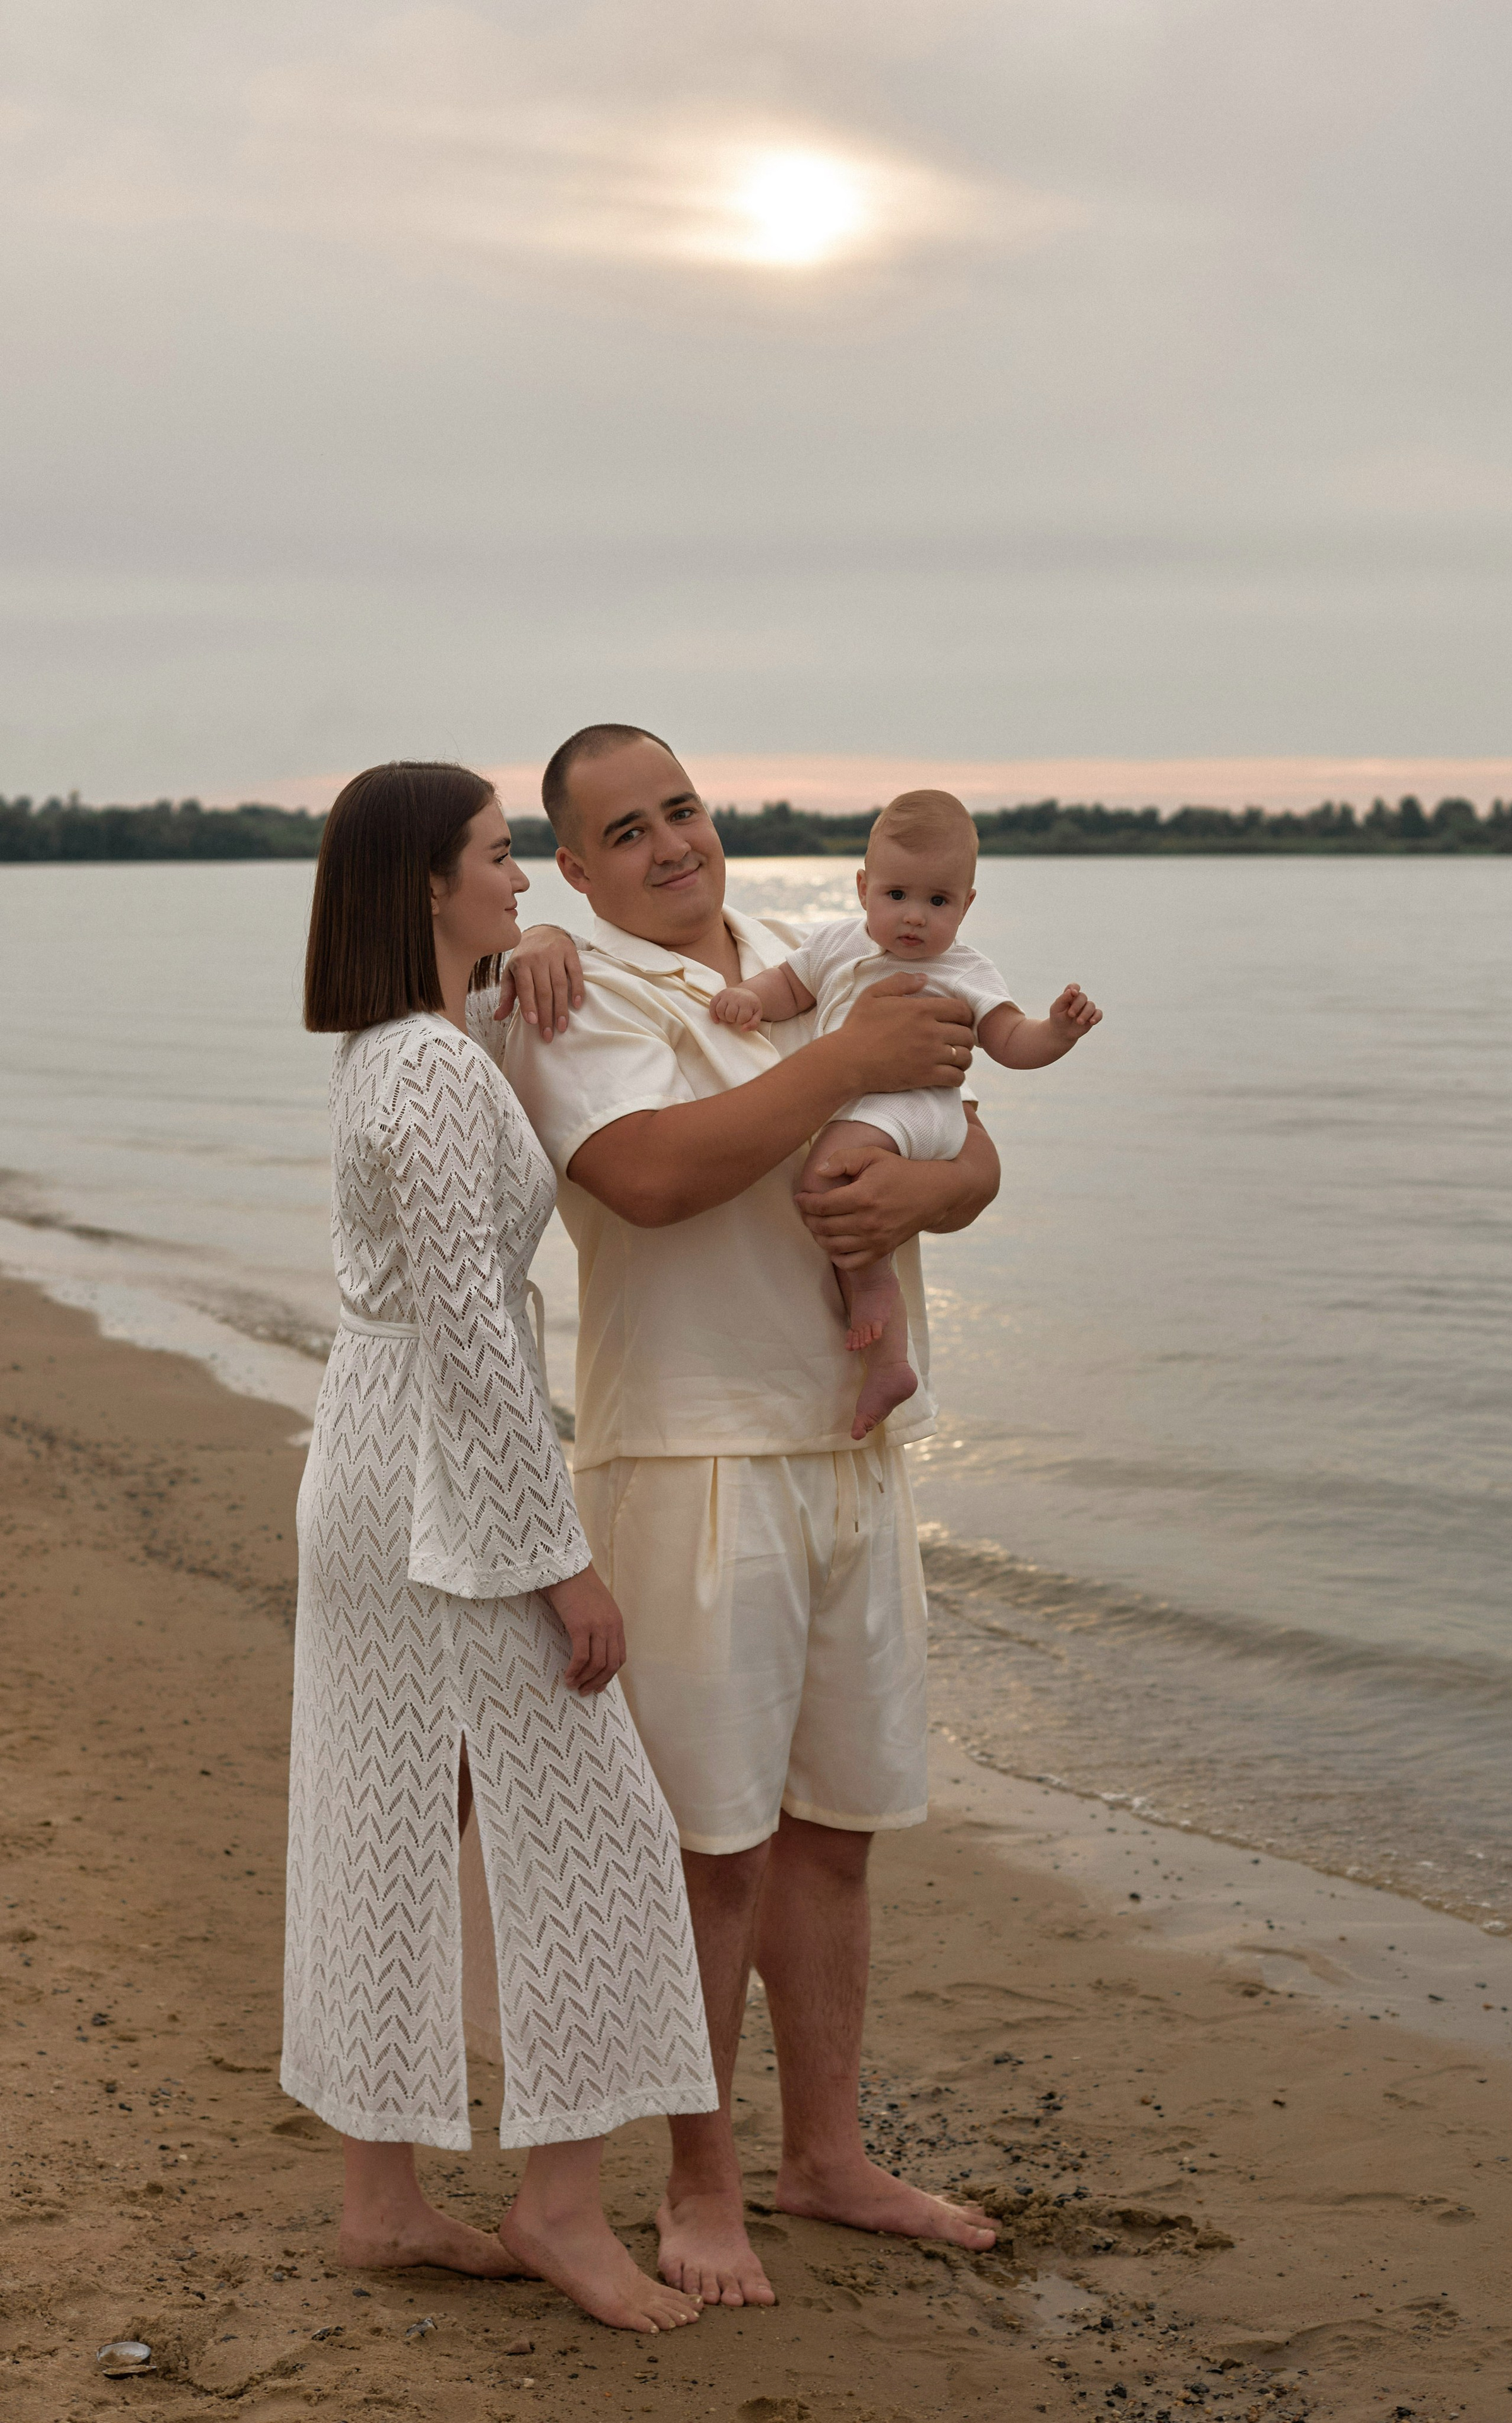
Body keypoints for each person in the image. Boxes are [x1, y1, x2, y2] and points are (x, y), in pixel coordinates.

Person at [497, 724, 1002, 2312]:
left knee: (835, 1831)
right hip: (691, 1460)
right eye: (623, 830)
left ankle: (827, 2155)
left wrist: (932, 1191)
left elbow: (965, 1132)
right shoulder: (564, 990)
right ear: (571, 868)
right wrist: (844, 1069)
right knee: (708, 1852)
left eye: (683, 808)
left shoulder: (816, 952)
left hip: (851, 1449)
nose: (669, 844)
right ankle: (697, 2179)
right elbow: (646, 1175)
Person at [284, 759, 715, 2335]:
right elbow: (471, 1330)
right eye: (493, 855)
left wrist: (518, 989)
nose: (523, 872)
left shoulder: (407, 1052)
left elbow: (451, 1227)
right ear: (421, 885)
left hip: (376, 1457)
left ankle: (384, 2203)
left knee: (383, 1822)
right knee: (601, 1835)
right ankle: (554, 2205)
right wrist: (562, 1560)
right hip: (436, 1491)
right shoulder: (423, 1074)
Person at [708, 786, 1101, 1439]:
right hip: (871, 1107)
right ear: (863, 887)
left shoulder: (964, 968)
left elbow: (1008, 1043)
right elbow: (788, 986)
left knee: (824, 1179)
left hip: (922, 1110)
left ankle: (872, 1289)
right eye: (896, 896)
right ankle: (890, 1362)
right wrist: (747, 997)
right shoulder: (835, 944)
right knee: (842, 1184)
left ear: (966, 905)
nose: (914, 917)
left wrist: (1055, 1032)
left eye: (937, 901)